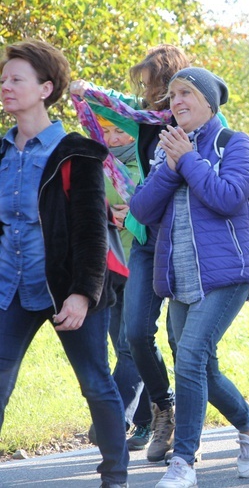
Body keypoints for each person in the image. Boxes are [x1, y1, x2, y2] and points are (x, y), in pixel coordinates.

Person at [129, 67, 249, 487]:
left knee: (190, 355)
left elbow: (228, 198)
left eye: (186, 92)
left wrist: (187, 160)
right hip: (180, 278)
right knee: (201, 368)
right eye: (172, 95)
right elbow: (141, 210)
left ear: (209, 102)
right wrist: (174, 164)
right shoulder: (165, 149)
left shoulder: (235, 143)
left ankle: (184, 462)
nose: (176, 101)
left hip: (228, 275)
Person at [0, 39, 128, 488]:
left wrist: (82, 293)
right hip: (8, 289)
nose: (5, 86)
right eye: (3, 79)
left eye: (16, 79)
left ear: (46, 87)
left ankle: (116, 474)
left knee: (95, 381)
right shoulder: (0, 153)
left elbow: (93, 233)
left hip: (68, 289)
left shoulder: (77, 153)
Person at [70, 45, 192, 462]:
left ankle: (186, 432)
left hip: (186, 242)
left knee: (184, 342)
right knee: (136, 334)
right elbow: (111, 105)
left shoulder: (198, 118)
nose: (145, 93)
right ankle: (162, 408)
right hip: (145, 243)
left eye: (150, 84)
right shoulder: (142, 121)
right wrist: (85, 89)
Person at [88, 115, 153, 452]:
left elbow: (163, 206)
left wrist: (136, 211)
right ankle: (147, 420)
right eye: (107, 131)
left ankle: (112, 418)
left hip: (142, 264)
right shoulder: (99, 164)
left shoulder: (147, 161)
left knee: (132, 347)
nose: (112, 138)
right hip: (110, 268)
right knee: (124, 348)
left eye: (119, 131)